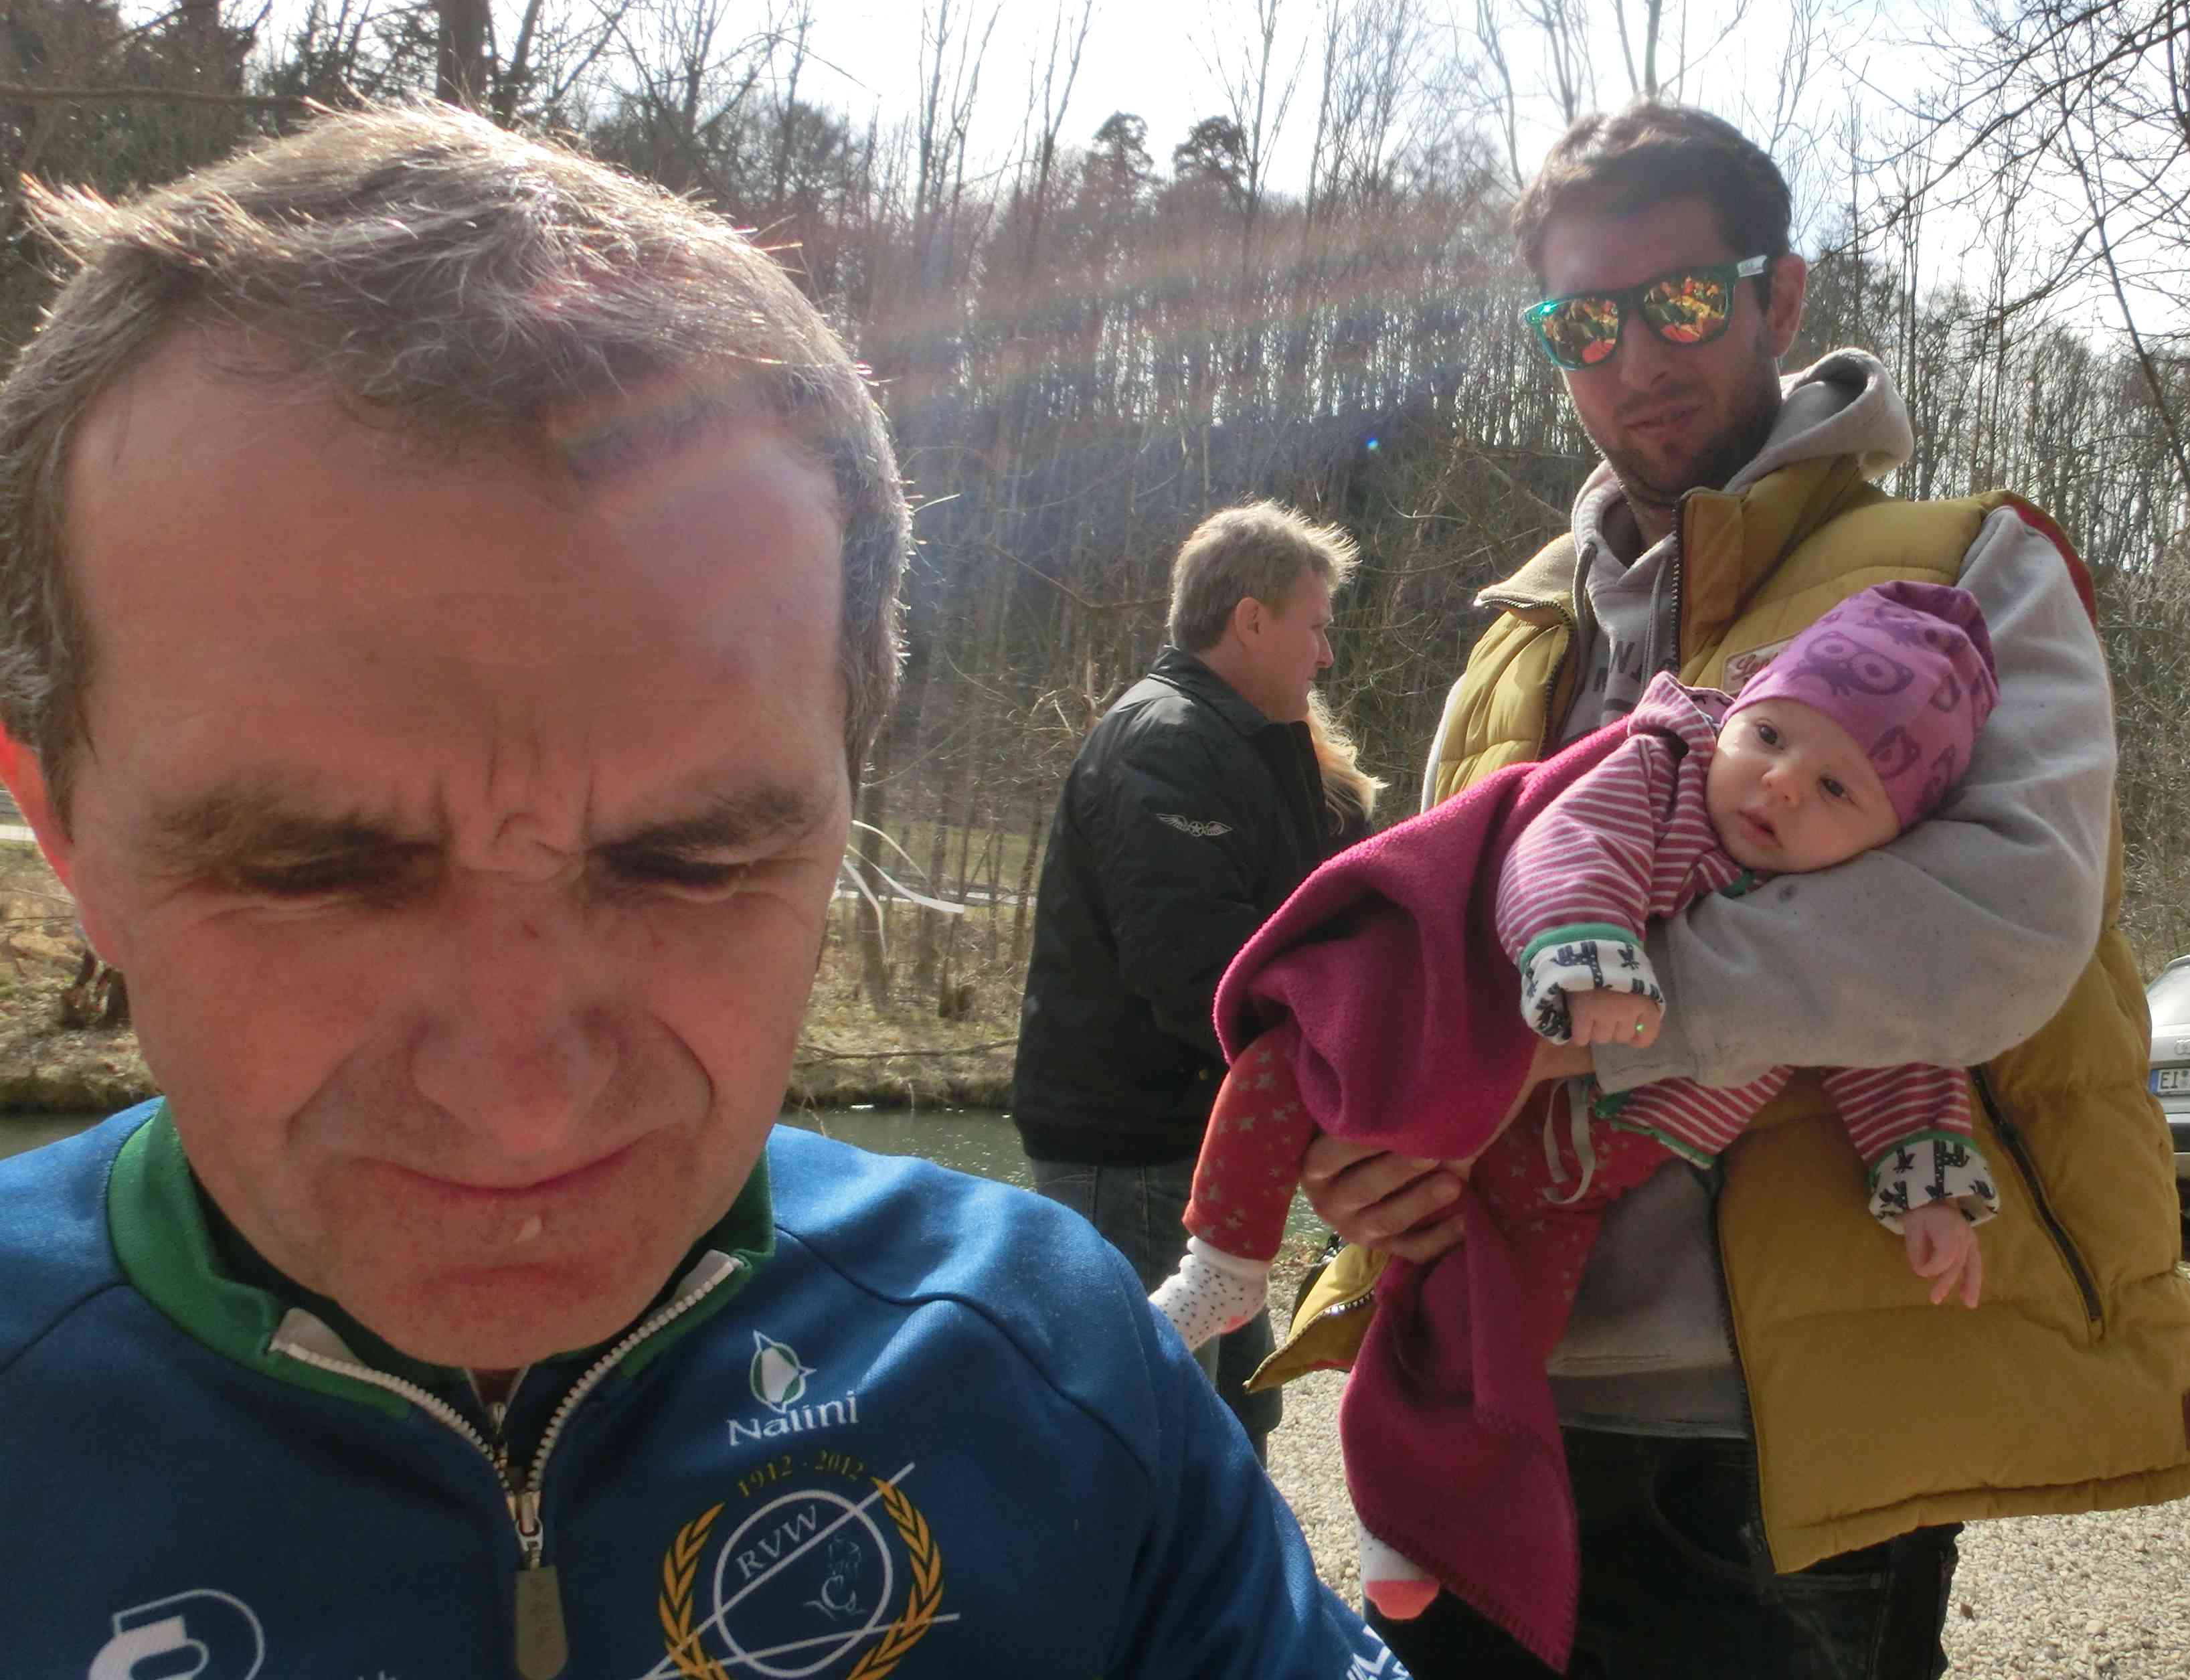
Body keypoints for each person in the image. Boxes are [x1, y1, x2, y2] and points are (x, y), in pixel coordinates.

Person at [0, 108, 1399, 1679]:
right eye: (309, 873)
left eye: (693, 863)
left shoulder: (1049, 1360)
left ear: (844, 803)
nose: (522, 1099)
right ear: (65, 834)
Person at [1259, 102, 2190, 1678]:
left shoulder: (1963, 570)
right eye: (1585, 324)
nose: (1636, 358)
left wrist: (1580, 1035)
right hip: (1487, 1398)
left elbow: (2006, 925)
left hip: (1772, 1462)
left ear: (1782, 296)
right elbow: (1407, 963)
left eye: (1684, 302)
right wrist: (1366, 1162)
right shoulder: (1520, 631)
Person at [1151, 582, 2005, 1657]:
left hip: (1586, 1181)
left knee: (1491, 1343)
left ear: (1892, 834)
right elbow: (1561, 845)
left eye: (1836, 786)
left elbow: (1893, 1042)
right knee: (1287, 1062)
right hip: (1475, 1050)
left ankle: (1413, 1522)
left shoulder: (1856, 911)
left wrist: (1926, 1187)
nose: (1782, 782)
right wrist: (1584, 951)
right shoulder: (1663, 770)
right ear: (1737, 710)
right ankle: (1226, 1261)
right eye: (1772, 736)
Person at [1010, 499, 1365, 1459]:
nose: (1326, 654)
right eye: (1315, 626)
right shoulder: (1163, 741)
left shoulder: (1249, 747)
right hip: (1130, 1152)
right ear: (1250, 620)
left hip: (1199, 1146)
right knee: (1145, 1437)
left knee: (1235, 1421)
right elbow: (1199, 971)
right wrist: (1343, 1067)